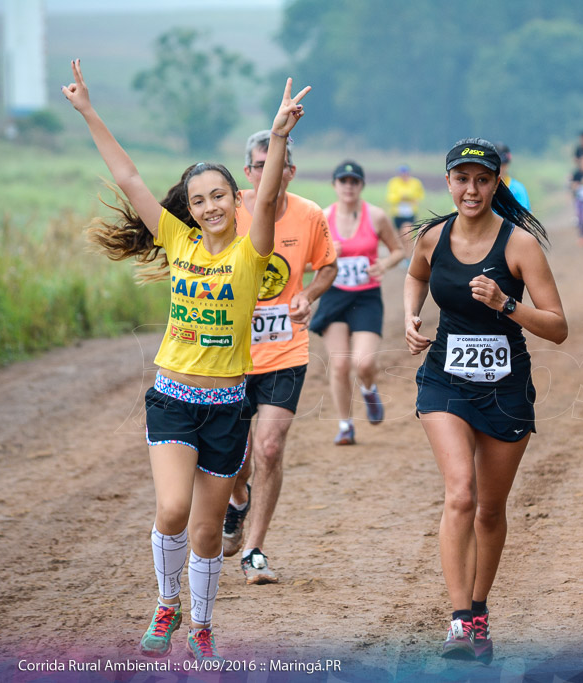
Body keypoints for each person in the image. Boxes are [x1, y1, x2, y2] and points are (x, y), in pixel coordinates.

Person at [62, 59, 309, 662]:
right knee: (171, 511)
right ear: (190, 209)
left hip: (227, 404)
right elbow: (128, 176)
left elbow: (272, 193)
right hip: (173, 396)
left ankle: (201, 623)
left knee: (205, 530)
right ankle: (166, 603)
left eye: (218, 195)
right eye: (198, 200)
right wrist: (89, 111)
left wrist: (277, 136)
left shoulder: (254, 251)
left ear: (235, 199)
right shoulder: (178, 240)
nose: (208, 206)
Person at [404, 138, 568, 662]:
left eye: (481, 179)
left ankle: (477, 612)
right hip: (444, 381)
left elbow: (559, 328)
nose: (471, 189)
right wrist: (410, 315)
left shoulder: (519, 246)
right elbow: (416, 274)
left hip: (505, 389)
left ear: (496, 184)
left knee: (490, 511)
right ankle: (458, 623)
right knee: (461, 494)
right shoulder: (432, 237)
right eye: (461, 179)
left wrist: (507, 304)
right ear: (448, 182)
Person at [221, 131, 338, 586]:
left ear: (290, 170)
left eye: (277, 164)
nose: (267, 172)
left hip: (286, 348)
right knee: (232, 455)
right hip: (229, 353)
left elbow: (326, 263)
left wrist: (308, 294)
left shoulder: (310, 214)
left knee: (269, 447)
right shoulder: (228, 211)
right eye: (256, 165)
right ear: (247, 173)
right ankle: (237, 500)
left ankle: (254, 550)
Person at [309, 160, 405, 445]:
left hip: (366, 297)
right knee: (339, 365)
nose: (349, 186)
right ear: (335, 185)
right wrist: (327, 254)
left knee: (364, 362)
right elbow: (308, 261)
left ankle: (368, 388)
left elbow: (398, 250)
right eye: (343, 181)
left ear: (361, 185)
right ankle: (345, 425)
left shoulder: (376, 216)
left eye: (354, 181)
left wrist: (384, 265)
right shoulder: (322, 218)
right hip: (335, 294)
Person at [385, 164, 425, 235]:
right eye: (402, 174)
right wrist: (400, 197)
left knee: (407, 232)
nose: (404, 175)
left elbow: (420, 195)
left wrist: (410, 197)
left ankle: (408, 246)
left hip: (410, 212)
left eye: (405, 173)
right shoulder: (394, 182)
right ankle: (402, 246)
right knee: (399, 235)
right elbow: (390, 197)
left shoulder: (415, 183)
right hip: (397, 213)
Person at [495, 142, 530, 211]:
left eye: (502, 164)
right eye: (496, 165)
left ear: (507, 165)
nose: (499, 169)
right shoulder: (485, 189)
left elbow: (524, 217)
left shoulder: (517, 189)